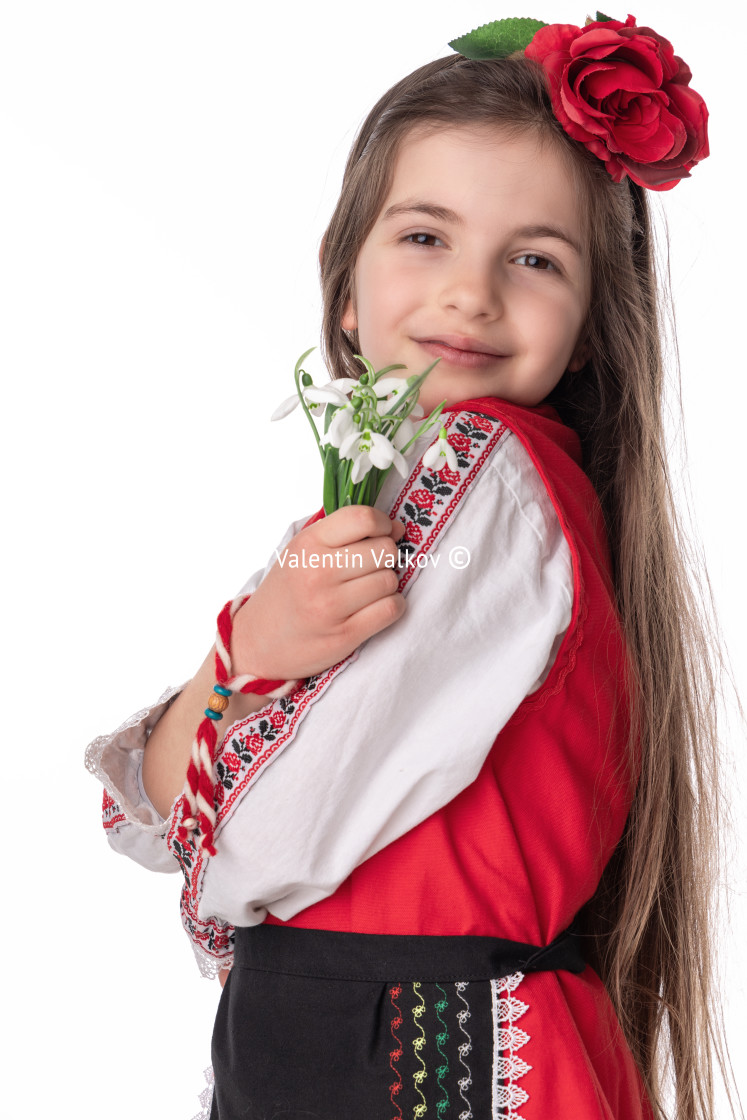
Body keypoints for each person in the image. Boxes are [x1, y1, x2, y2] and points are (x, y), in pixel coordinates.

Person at [85, 15, 734, 1120]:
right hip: (334, 1043)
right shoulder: (387, 500)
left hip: (431, 1055)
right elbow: (158, 814)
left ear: (585, 331)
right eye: (426, 237)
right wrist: (247, 650)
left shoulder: (491, 471)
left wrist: (229, 709)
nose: (471, 294)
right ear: (345, 289)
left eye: (533, 258)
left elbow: (255, 837)